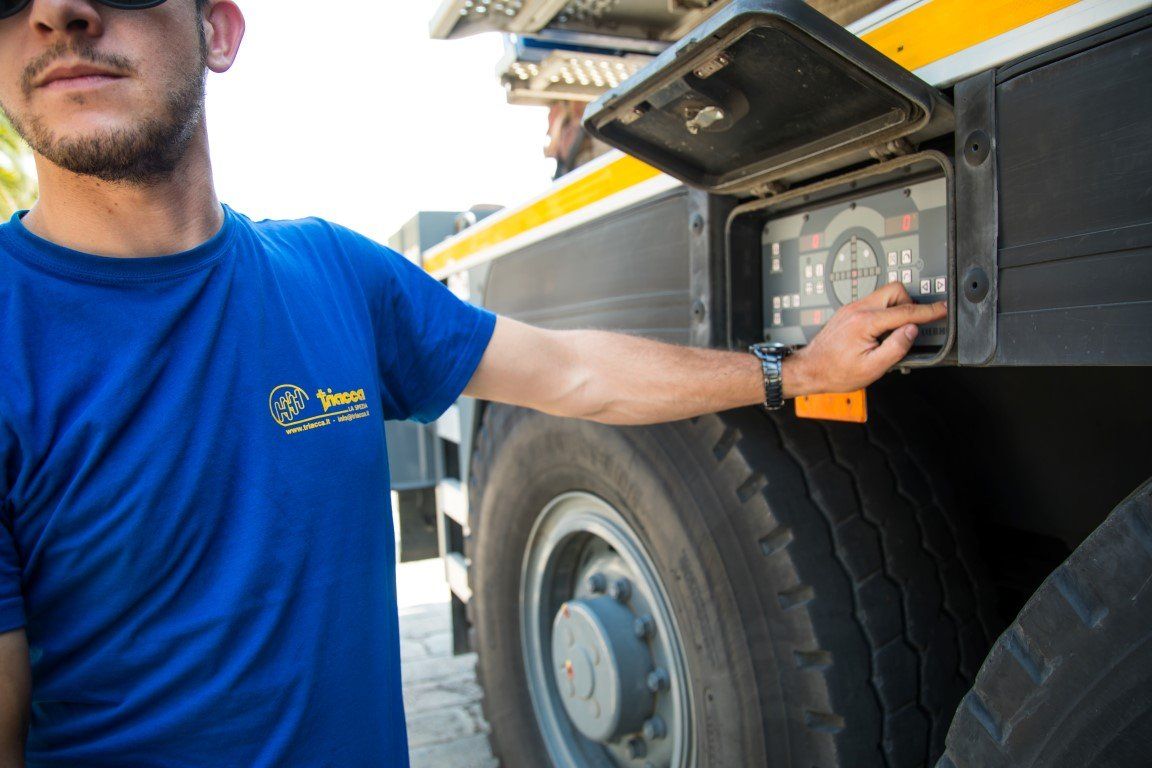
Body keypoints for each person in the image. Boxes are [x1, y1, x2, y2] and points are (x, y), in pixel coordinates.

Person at [0, 2, 946, 766]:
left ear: (219, 29)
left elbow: (573, 373)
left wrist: (796, 369)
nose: (57, 14)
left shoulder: (333, 273)